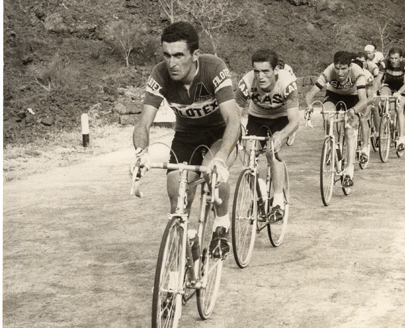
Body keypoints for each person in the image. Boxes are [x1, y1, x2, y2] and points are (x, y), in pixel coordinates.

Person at [133, 22, 240, 259]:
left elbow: (233, 119)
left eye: (179, 55)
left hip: (219, 133)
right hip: (186, 136)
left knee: (212, 172)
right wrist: (141, 152)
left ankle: (221, 223)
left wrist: (221, 158)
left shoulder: (214, 68)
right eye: (167, 55)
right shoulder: (160, 74)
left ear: (195, 55)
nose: (172, 63)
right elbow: (143, 124)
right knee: (176, 196)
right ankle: (187, 239)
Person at [236, 49, 299, 222]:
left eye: (265, 71)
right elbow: (235, 113)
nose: (260, 76)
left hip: (281, 118)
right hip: (257, 118)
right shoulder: (246, 82)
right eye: (257, 71)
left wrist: (281, 135)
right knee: (248, 155)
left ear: (276, 71)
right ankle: (261, 192)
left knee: (273, 152)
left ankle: (278, 201)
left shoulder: (288, 83)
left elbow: (295, 121)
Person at [305, 51, 368, 188]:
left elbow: (364, 100)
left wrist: (354, 110)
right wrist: (309, 106)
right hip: (333, 95)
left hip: (353, 97)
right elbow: (310, 94)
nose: (340, 72)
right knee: (327, 114)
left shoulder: (358, 72)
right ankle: (331, 143)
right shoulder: (329, 71)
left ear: (349, 67)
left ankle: (349, 171)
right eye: (337, 68)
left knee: (349, 130)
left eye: (343, 68)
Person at [378, 47, 405, 152]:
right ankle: (386, 120)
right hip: (389, 86)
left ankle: (401, 139)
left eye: (396, 58)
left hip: (401, 88)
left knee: (399, 109)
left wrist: (399, 93)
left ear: (401, 58)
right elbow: (378, 80)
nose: (393, 61)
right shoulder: (384, 63)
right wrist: (374, 91)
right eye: (391, 58)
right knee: (383, 97)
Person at [353, 51, 381, 164]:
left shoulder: (367, 74)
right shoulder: (349, 73)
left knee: (364, 118)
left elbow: (370, 96)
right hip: (354, 98)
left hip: (367, 98)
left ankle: (365, 148)